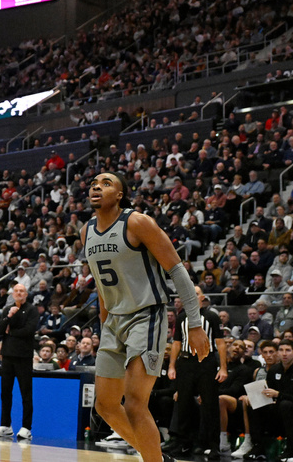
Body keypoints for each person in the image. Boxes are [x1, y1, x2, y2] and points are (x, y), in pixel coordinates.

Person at [85, 172, 210, 462]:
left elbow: (177, 270)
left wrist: (194, 323)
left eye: (106, 183)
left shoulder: (137, 222)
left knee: (135, 403)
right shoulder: (86, 231)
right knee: (104, 406)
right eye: (94, 183)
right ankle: (157, 457)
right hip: (113, 321)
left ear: (119, 195)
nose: (97, 186)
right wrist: (104, 327)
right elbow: (102, 287)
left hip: (146, 315)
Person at [164, 286, 226, 457]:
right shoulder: (181, 317)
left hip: (206, 362)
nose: (192, 296)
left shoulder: (211, 316)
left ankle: (212, 445)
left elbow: (220, 343)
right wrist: (171, 366)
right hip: (185, 362)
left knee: (210, 405)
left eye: (196, 294)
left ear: (202, 298)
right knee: (183, 404)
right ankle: (183, 442)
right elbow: (176, 343)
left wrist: (223, 368)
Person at [0, 283, 39, 439]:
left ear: (26, 294)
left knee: (26, 393)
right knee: (5, 392)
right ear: (12, 294)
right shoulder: (7, 309)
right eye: (16, 291)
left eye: (22, 291)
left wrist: (10, 331)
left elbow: (28, 330)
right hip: (7, 356)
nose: (19, 293)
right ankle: (6, 425)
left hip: (24, 357)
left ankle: (26, 427)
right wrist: (9, 317)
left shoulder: (32, 310)